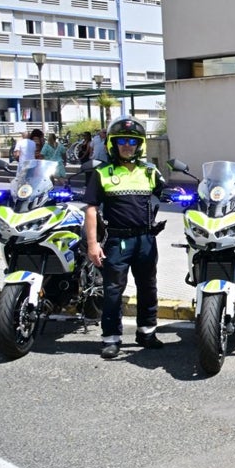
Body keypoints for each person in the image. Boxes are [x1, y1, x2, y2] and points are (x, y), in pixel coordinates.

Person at [83, 118, 166, 360]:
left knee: (148, 288)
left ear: (139, 145)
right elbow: (90, 209)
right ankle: (111, 338)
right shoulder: (102, 173)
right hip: (117, 242)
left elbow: (167, 192)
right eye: (122, 141)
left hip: (146, 240)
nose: (127, 146)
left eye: (132, 141)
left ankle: (147, 332)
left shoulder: (150, 172)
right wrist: (92, 244)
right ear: (113, 144)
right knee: (112, 291)